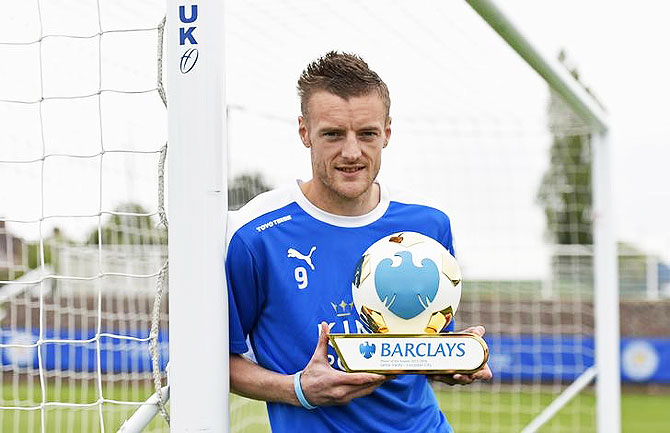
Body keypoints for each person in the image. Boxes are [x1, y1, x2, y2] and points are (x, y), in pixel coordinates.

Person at [226, 51, 492, 432]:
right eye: (333, 134)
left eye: (366, 133)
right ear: (304, 131)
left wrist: (449, 359)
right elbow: (217, 361)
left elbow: (413, 351)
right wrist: (298, 389)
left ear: (386, 131)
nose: (352, 152)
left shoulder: (427, 225)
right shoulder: (255, 234)